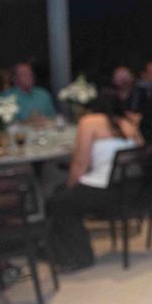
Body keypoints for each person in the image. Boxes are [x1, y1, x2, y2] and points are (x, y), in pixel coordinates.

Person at [44, 91, 142, 269]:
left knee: (58, 202)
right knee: (61, 195)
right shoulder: (129, 124)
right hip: (132, 188)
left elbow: (79, 163)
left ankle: (78, 256)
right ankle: (62, 250)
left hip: (107, 190)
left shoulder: (89, 122)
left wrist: (71, 187)